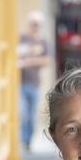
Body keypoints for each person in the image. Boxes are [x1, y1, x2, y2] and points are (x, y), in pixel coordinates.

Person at [18, 11, 50, 152]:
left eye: (37, 24)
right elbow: (14, 54)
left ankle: (28, 141)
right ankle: (22, 139)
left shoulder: (43, 42)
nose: (35, 27)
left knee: (31, 115)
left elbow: (46, 60)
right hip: (19, 83)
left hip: (34, 83)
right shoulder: (21, 39)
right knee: (22, 112)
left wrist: (27, 61)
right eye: (33, 24)